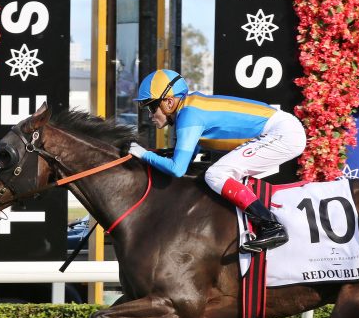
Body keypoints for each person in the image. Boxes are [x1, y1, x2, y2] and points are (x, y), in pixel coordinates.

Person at [128, 69, 306, 253]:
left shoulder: (189, 116)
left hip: (282, 133)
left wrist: (144, 154)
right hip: (282, 129)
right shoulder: (189, 108)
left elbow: (177, 169)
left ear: (169, 102)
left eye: (152, 107)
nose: (150, 115)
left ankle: (271, 226)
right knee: (218, 173)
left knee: (216, 174)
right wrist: (155, 154)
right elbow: (186, 158)